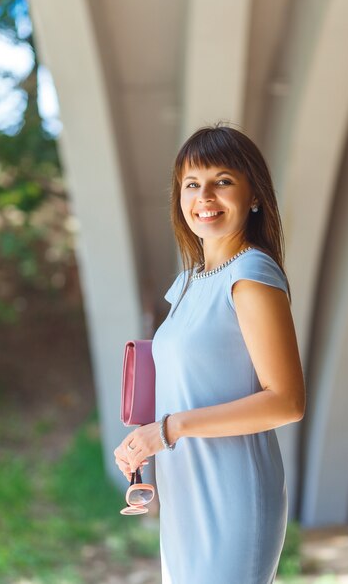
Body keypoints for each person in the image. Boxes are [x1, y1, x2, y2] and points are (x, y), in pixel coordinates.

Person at [114, 123, 306, 584]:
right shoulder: (190, 281)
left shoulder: (251, 274)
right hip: (184, 490)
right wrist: (145, 437)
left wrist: (169, 429)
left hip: (231, 493)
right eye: (192, 184)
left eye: (223, 181)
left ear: (253, 195)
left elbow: (287, 401)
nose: (205, 197)